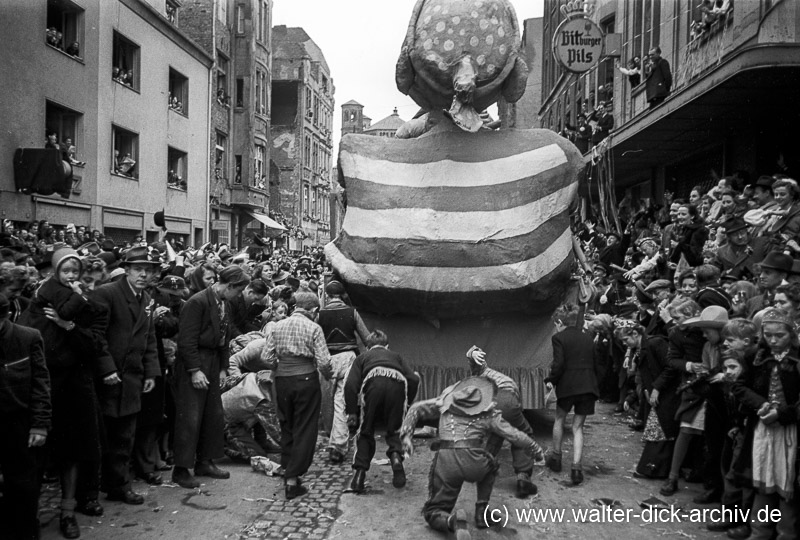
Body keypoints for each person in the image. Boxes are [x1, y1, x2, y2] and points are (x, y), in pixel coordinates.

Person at [399, 376, 540, 537]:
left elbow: (416, 408)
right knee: (491, 465)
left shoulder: (445, 402)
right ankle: (482, 512)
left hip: (446, 463)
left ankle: (451, 521)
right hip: (474, 462)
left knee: (433, 510)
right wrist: (535, 449)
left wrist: (406, 436)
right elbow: (515, 435)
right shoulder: (489, 413)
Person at [92, 246, 161, 505]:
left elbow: (149, 338)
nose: (144, 275)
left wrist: (151, 371)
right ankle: (94, 490)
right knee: (102, 436)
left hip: (132, 379)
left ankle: (118, 486)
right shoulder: (107, 294)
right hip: (108, 378)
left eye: (149, 270)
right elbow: (96, 337)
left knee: (125, 436)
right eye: (138, 270)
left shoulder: (146, 299)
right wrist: (107, 368)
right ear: (127, 270)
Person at [171, 266, 250, 489]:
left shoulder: (224, 303)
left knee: (212, 415)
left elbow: (224, 337)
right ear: (229, 285)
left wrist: (224, 367)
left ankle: (204, 461)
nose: (238, 296)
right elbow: (186, 340)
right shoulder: (197, 302)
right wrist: (195, 370)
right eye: (238, 291)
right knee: (190, 417)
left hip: (213, 361)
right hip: (195, 362)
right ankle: (181, 469)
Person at [732, 308, 800, 539]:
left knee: (787, 483)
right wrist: (760, 404)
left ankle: (785, 534)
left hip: (791, 432)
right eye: (768, 335)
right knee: (763, 479)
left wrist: (782, 414)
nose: (773, 340)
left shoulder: (797, 361)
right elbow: (740, 387)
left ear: (791, 334)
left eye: (779, 335)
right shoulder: (755, 357)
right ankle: (759, 533)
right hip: (761, 429)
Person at [262, 290, 332, 499]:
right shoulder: (314, 328)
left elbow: (266, 357)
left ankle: (287, 467)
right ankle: (292, 480)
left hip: (282, 381)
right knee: (305, 428)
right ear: (313, 309)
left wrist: (280, 366)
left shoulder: (277, 326)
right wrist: (329, 375)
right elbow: (324, 362)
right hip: (306, 381)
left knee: (287, 426)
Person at [0, 293, 51, 540]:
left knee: (23, 485)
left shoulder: (27, 337)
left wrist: (39, 425)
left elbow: (41, 383)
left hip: (19, 422)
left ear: (6, 315)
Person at [344, 330, 419, 493]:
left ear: (367, 347)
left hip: (373, 385)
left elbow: (350, 385)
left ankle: (359, 476)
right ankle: (396, 459)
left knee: (366, 431)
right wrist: (406, 403)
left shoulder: (362, 358)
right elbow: (413, 379)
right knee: (394, 430)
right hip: (397, 386)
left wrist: (351, 412)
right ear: (387, 346)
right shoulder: (396, 356)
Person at [465, 345, 544, 497]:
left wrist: (472, 353)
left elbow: (475, 361)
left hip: (492, 402)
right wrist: (473, 353)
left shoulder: (479, 376)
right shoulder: (491, 376)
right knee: (522, 434)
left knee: (499, 432)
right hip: (506, 399)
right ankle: (523, 478)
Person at [544, 303, 598, 485]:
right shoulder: (589, 338)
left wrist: (551, 379)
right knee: (578, 428)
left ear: (560, 321)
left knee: (559, 419)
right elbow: (598, 364)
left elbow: (558, 364)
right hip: (587, 386)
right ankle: (576, 468)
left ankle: (556, 459)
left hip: (568, 385)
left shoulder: (558, 338)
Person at [318, 280, 370, 464]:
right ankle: (338, 446)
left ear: (327, 294)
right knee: (342, 400)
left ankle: (331, 437)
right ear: (343, 295)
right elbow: (366, 338)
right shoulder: (352, 312)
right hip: (348, 358)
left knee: (327, 401)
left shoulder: (320, 314)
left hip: (327, 359)